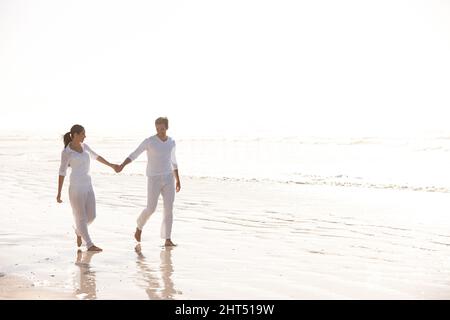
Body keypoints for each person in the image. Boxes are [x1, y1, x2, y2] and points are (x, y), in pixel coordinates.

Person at [116, 117, 181, 247]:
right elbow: (135, 154)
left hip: (169, 178)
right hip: (154, 178)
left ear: (166, 128)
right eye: (157, 129)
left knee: (169, 209)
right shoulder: (149, 141)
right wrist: (123, 165)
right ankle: (139, 227)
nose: (160, 131)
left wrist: (178, 179)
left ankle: (167, 239)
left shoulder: (171, 142)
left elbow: (173, 161)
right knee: (151, 208)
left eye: (162, 128)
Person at [57, 124, 119, 251]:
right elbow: (62, 172)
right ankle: (89, 244)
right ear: (75, 135)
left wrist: (111, 165)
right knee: (81, 217)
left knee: (92, 216)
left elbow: (96, 157)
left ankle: (78, 231)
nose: (85, 136)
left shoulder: (85, 146)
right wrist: (59, 193)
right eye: (83, 134)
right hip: (75, 187)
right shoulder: (66, 152)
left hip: (88, 184)